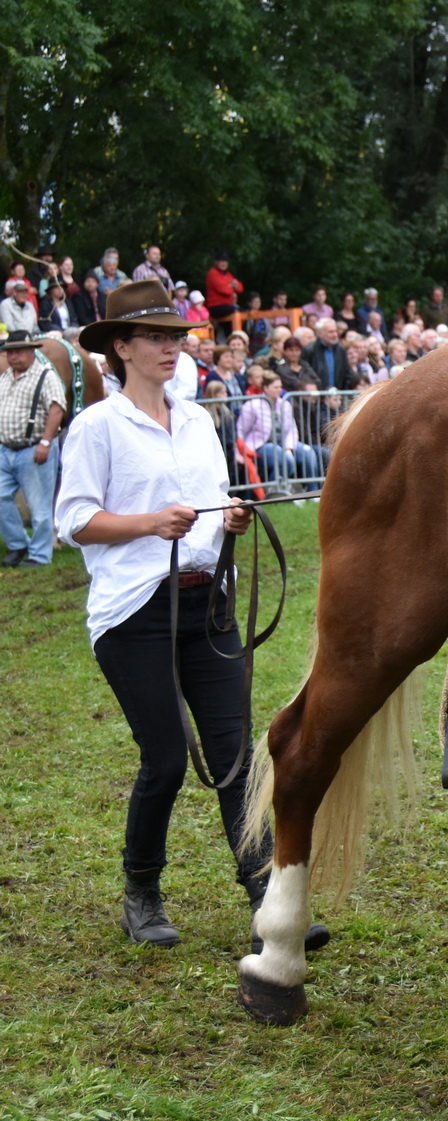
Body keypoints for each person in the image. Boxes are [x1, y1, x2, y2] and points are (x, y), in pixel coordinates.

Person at [56, 280, 328, 952]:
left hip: (206, 600)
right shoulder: (98, 425)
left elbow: (209, 505)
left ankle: (268, 893)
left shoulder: (199, 419)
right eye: (155, 337)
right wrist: (152, 522)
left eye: (176, 336)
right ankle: (141, 891)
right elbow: (74, 520)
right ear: (120, 347)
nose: (171, 347)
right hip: (133, 610)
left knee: (235, 756)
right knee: (167, 759)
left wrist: (229, 519)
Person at [0, 331, 65, 568]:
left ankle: (39, 555)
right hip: (5, 449)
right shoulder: (6, 376)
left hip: (34, 448)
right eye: (9, 352)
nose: (13, 356)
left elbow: (57, 408)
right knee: (0, 497)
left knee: (39, 506)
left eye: (17, 351)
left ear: (31, 351)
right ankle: (18, 543)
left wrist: (46, 442)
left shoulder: (45, 375)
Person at [237, 370, 318, 488]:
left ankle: (312, 492)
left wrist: (289, 447)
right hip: (261, 444)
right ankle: (274, 491)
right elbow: (241, 431)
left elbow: (292, 429)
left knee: (308, 453)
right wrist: (238, 453)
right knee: (286, 460)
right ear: (265, 388)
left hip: (284, 442)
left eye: (280, 387)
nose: (279, 390)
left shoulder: (285, 404)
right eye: (275, 387)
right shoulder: (252, 405)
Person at [204, 252, 244, 335]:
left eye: (225, 261)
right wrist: (232, 285)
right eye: (221, 261)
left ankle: (237, 339)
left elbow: (240, 288)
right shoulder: (213, 273)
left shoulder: (228, 274)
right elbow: (224, 290)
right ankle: (235, 338)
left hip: (227, 307)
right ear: (216, 262)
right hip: (216, 307)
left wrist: (229, 285)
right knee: (238, 312)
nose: (223, 263)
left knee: (244, 313)